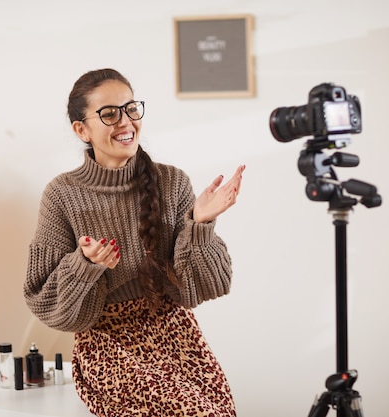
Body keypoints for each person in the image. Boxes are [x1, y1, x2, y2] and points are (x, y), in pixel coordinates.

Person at [23, 68, 245, 417]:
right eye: (109, 113)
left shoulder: (171, 182)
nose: (125, 122)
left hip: (175, 333)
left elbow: (209, 286)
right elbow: (45, 302)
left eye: (131, 109)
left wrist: (200, 224)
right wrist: (86, 266)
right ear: (82, 130)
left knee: (219, 410)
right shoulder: (62, 195)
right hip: (107, 343)